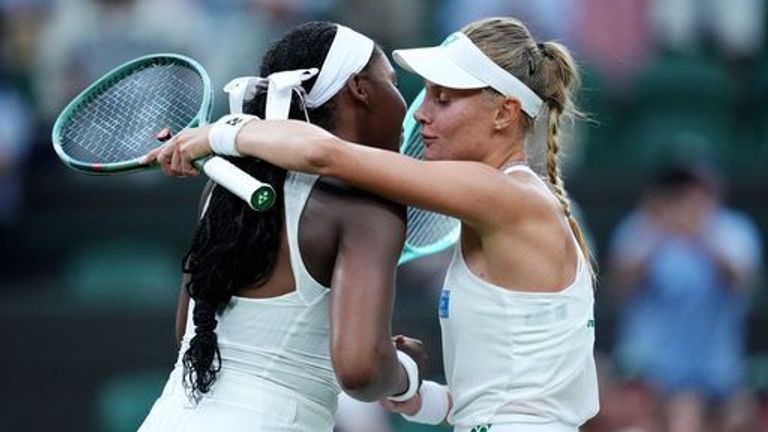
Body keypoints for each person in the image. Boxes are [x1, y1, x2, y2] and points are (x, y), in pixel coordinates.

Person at [147, 16, 600, 432]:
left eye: (443, 99)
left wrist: (217, 134)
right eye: (425, 93)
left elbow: (323, 154)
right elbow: (516, 397)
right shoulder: (500, 204)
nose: (421, 112)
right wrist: (419, 395)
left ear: (504, 113)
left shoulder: (507, 196)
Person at [138, 21, 428, 432]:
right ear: (359, 88)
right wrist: (403, 372)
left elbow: (189, 330)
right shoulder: (367, 204)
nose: (406, 105)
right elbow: (361, 370)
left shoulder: (221, 187)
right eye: (393, 83)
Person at [608, 162, 762, 432]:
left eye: (695, 189)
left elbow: (743, 283)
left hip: (713, 368)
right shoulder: (641, 227)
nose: (688, 197)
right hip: (649, 365)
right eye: (679, 190)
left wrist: (701, 233)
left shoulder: (733, 229)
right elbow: (620, 287)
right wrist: (661, 230)